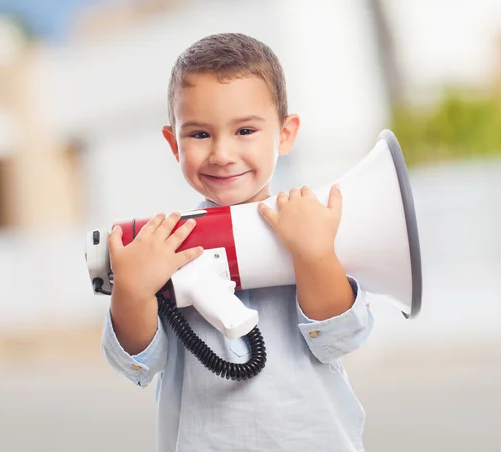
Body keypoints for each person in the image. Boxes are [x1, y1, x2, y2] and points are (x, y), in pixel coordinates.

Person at [102, 32, 374, 451]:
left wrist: (314, 255)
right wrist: (134, 290)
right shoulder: (167, 245)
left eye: (245, 129)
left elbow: (340, 335)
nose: (222, 153)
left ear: (285, 133)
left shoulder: (307, 226)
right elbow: (138, 361)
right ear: (173, 143)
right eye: (199, 135)